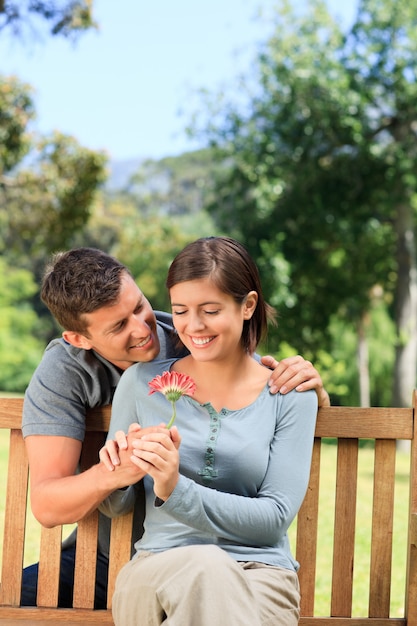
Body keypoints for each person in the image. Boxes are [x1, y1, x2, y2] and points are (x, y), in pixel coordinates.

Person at [21, 246, 329, 610]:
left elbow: (249, 380)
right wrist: (115, 471)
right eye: (119, 326)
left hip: (237, 556)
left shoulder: (190, 332)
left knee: (211, 575)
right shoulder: (68, 373)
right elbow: (47, 503)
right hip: (118, 556)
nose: (142, 329)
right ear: (80, 339)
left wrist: (311, 393)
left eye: (139, 307)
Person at [99, 236, 318, 626]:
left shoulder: (290, 395)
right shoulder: (140, 383)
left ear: (248, 305)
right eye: (180, 310)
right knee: (204, 565)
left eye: (210, 310)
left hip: (260, 579)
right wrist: (117, 472)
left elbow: (274, 518)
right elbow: (117, 505)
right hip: (157, 573)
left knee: (211, 570)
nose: (192, 326)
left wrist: (174, 489)